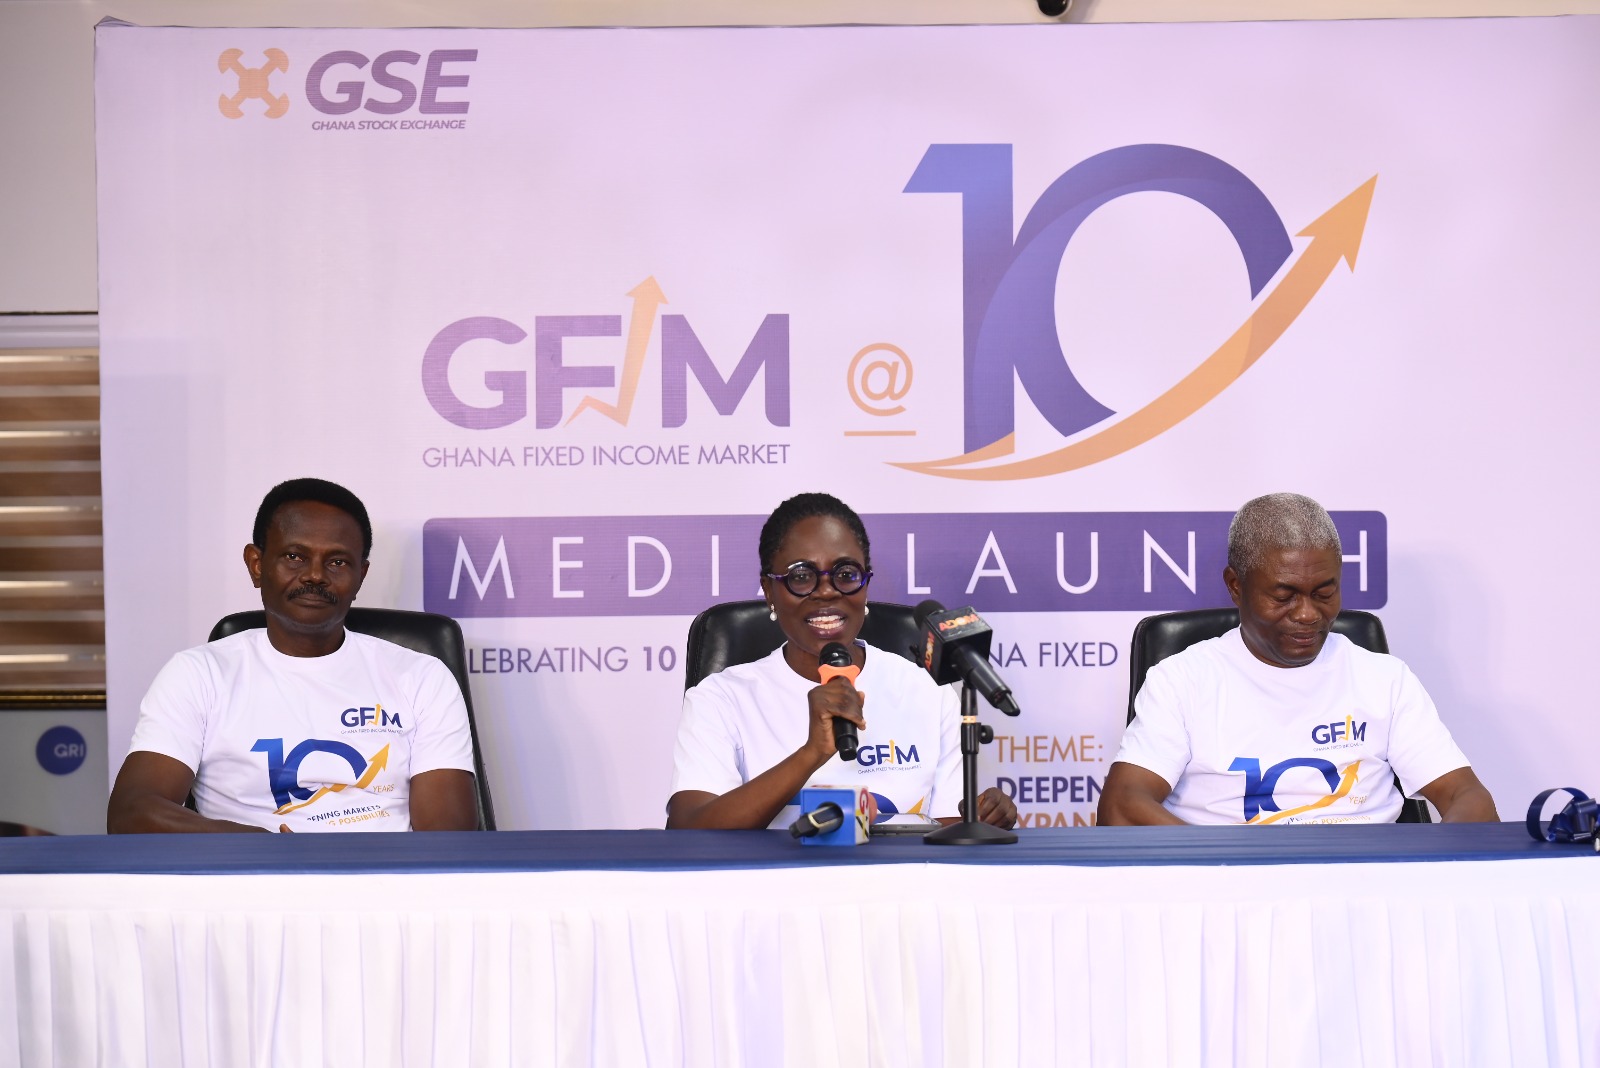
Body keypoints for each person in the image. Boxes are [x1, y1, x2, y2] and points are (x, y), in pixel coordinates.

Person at [1098, 492, 1497, 826]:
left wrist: (1430, 869)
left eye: (1325, 593)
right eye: (1284, 595)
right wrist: (1226, 866)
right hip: (1229, 892)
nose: (1308, 613)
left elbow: (1467, 796)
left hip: (1369, 885)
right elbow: (1122, 805)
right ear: (1236, 587)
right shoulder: (1182, 680)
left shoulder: (1385, 679)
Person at [107, 478, 479, 833]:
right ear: (256, 564)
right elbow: (132, 811)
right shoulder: (198, 675)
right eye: (295, 556)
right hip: (248, 885)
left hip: (388, 887)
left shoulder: (422, 677)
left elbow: (447, 833)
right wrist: (258, 847)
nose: (315, 575)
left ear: (361, 576)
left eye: (337, 562)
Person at [667, 492, 1018, 831]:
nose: (827, 591)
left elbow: (946, 829)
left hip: (900, 888)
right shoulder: (720, 698)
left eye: (846, 574)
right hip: (770, 888)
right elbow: (690, 828)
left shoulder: (925, 689)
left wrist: (982, 818)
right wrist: (812, 753)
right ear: (769, 590)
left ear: (866, 585)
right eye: (801, 576)